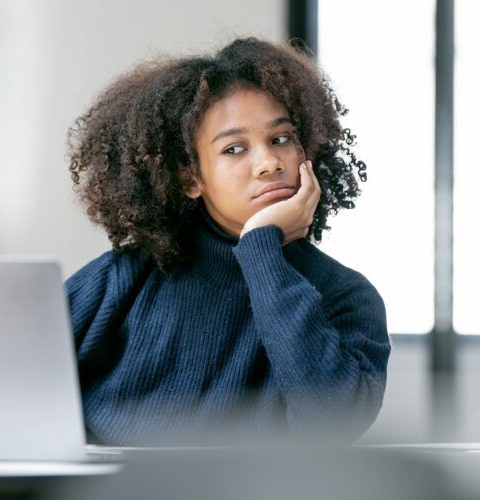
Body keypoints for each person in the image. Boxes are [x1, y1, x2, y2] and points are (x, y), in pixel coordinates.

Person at [64, 37, 391, 445]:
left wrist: (260, 249)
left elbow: (332, 425)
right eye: (235, 149)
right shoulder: (124, 278)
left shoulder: (343, 295)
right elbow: (12, 384)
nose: (269, 163)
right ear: (190, 178)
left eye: (282, 138)